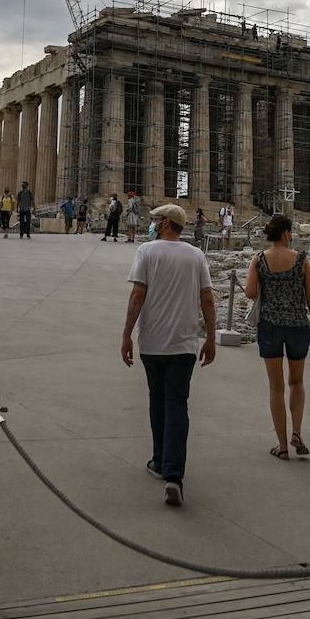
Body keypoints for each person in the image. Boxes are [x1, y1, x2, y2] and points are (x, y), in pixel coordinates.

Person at [121, 204, 216, 507]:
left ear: (164, 224)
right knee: (177, 404)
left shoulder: (147, 251)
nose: (152, 226)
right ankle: (174, 474)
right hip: (185, 344)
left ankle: (161, 461)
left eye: (155, 221)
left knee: (157, 400)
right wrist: (211, 336)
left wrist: (126, 334)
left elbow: (137, 295)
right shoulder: (196, 255)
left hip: (153, 343)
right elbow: (208, 298)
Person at [244, 214, 310, 461]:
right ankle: (297, 432)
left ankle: (282, 446)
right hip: (298, 326)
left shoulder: (259, 259)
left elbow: (250, 292)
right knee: (296, 382)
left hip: (270, 326)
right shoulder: (301, 261)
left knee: (275, 387)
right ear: (287, 233)